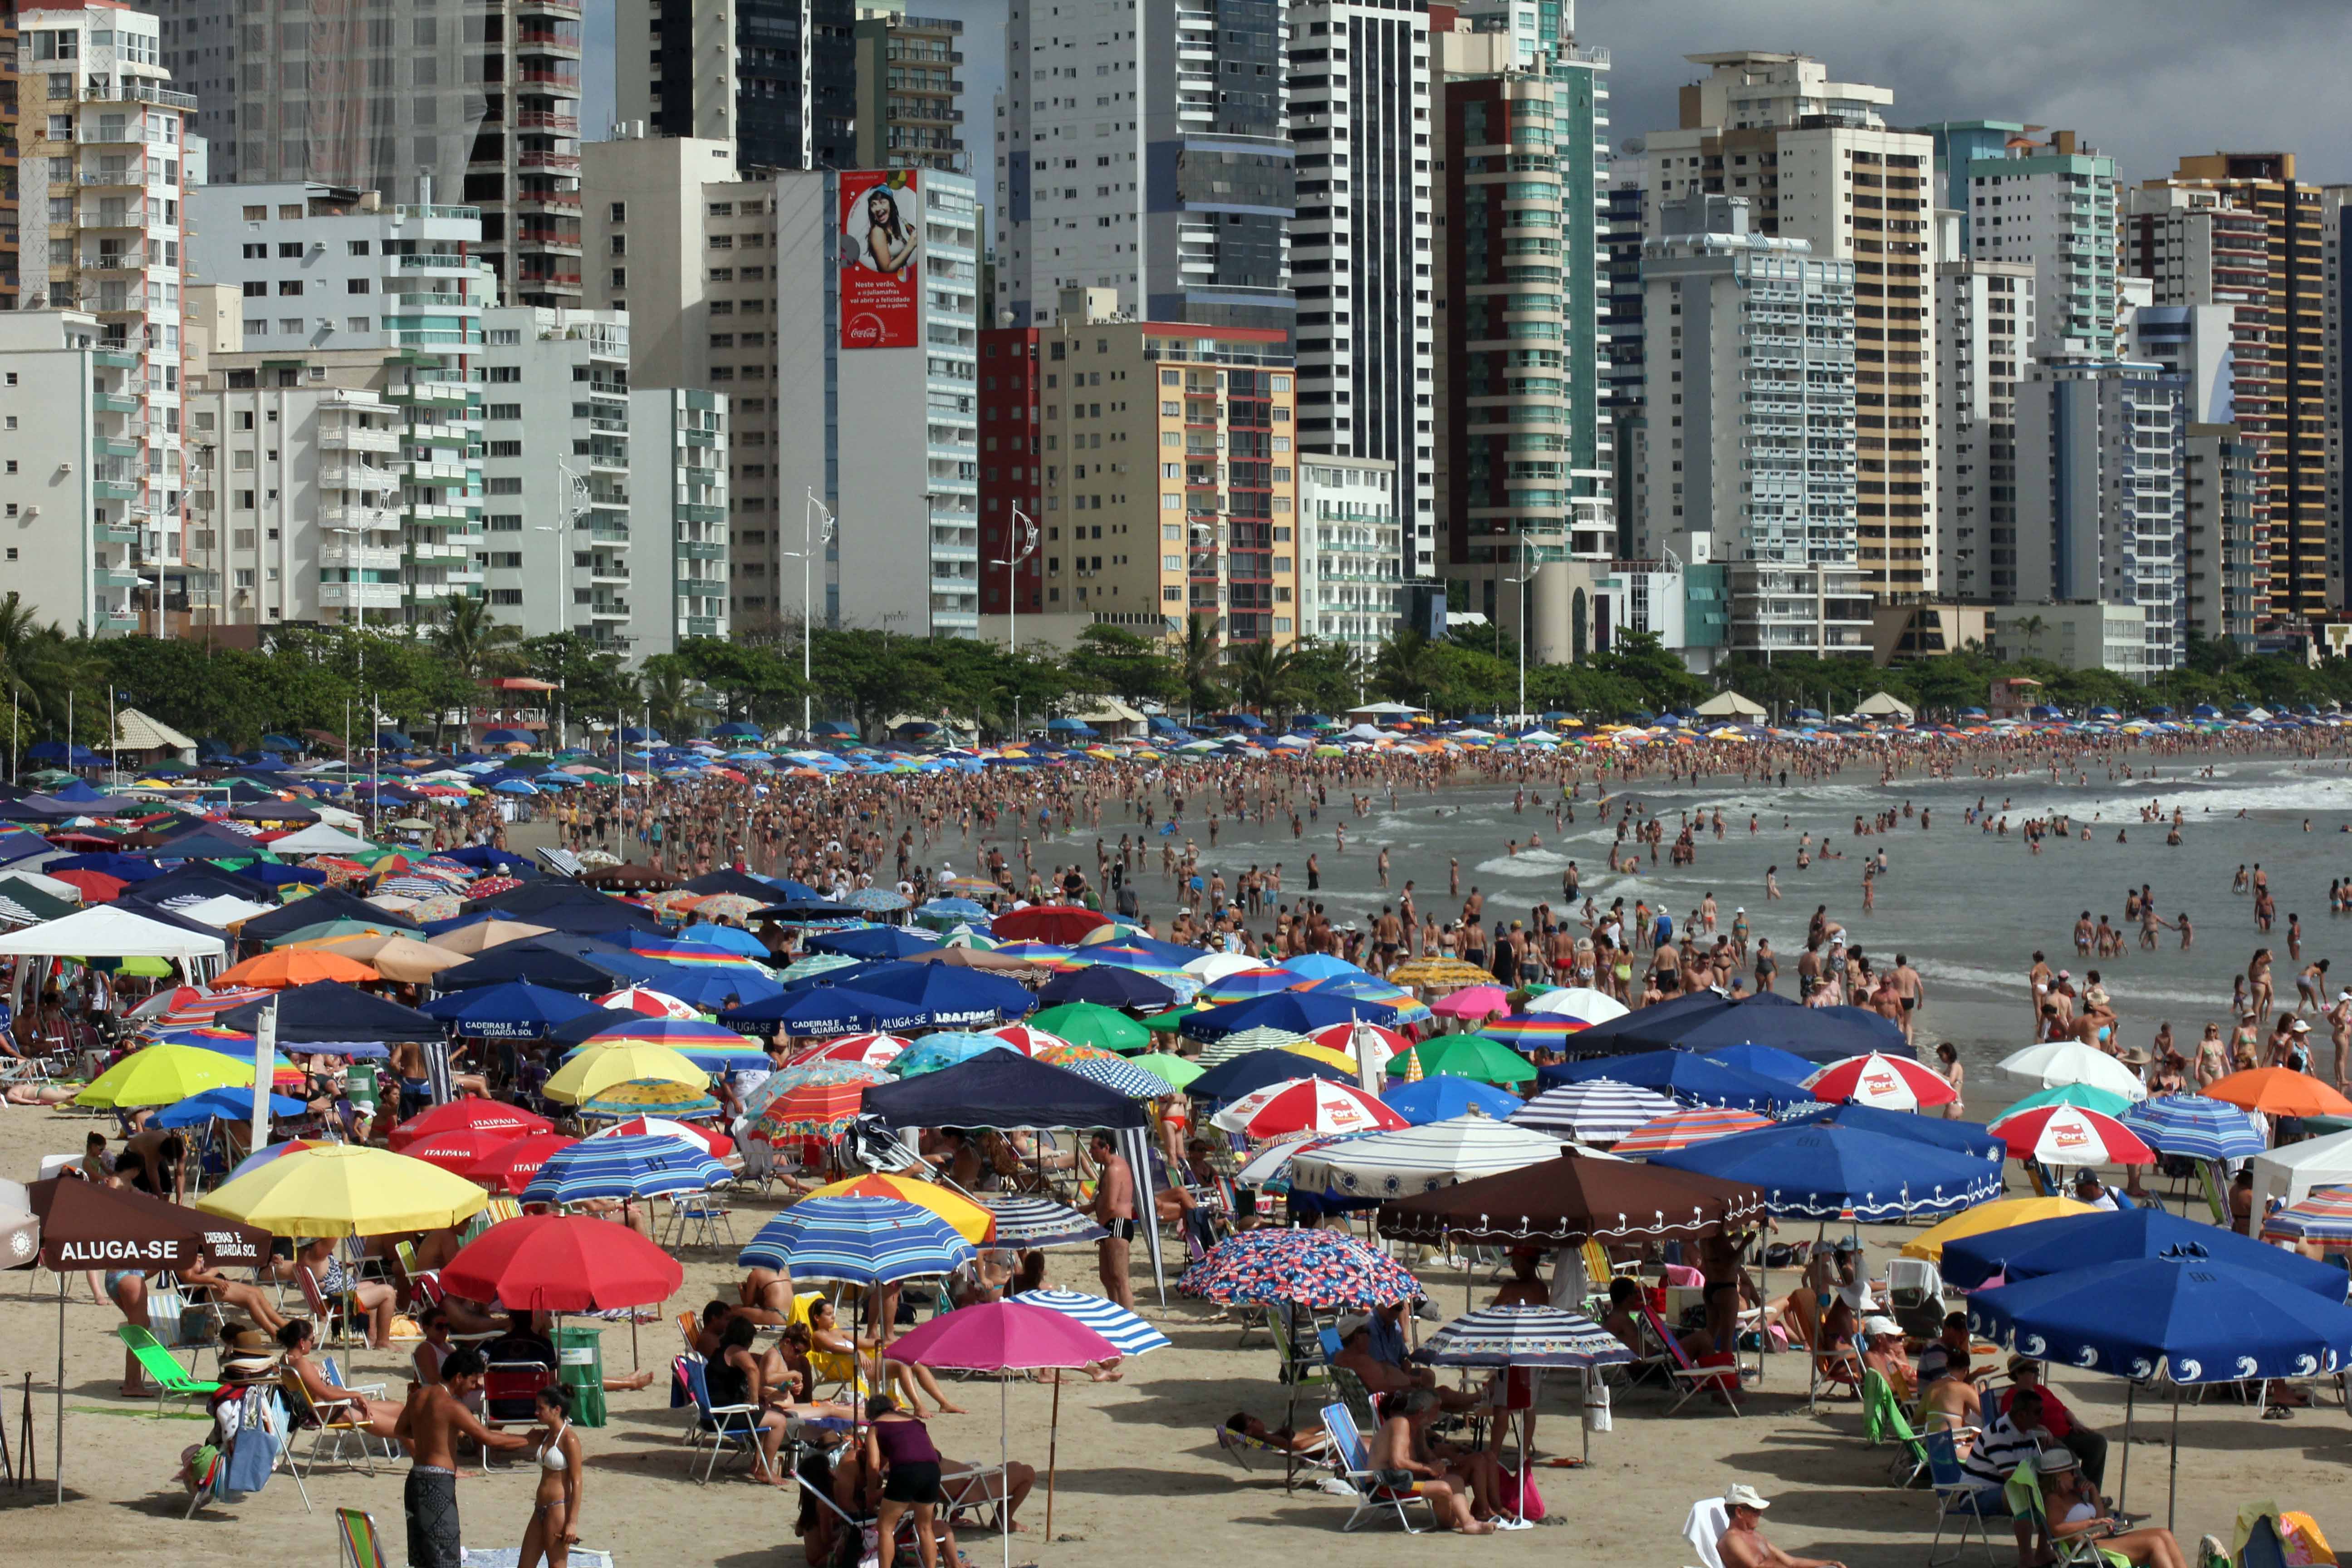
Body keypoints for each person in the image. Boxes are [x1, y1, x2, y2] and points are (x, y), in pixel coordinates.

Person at [396, 1348, 532, 1568]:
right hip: (438, 1485)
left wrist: (423, 1448)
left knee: (423, 1555)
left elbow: (401, 1430)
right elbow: (489, 1439)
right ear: (458, 1377)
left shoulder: (418, 1396)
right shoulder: (453, 1407)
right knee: (445, 1554)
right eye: (473, 1381)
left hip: (415, 1479)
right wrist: (529, 1440)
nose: (476, 1386)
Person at [2037, 1446, 2189, 1568]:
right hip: (2087, 1546)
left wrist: (2093, 1492)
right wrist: (2091, 1523)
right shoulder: (2053, 1500)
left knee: (2164, 1534)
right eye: (2072, 1472)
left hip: (2101, 1538)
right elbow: (2057, 1529)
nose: (2076, 1475)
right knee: (2155, 1544)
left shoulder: (2073, 1493)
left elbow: (2100, 1516)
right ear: (2058, 1476)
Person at [1367, 1388, 1493, 1535]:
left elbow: (1427, 1456)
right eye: (1436, 1410)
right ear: (1422, 1411)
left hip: (1405, 1481)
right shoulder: (1400, 1423)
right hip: (1385, 1485)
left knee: (1456, 1481)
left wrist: (1437, 1464)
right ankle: (1455, 1522)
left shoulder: (1418, 1428)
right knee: (1444, 1489)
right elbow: (1398, 1462)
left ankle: (1468, 1523)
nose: (1438, 1415)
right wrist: (1428, 1469)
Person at [865, 1392, 957, 1568]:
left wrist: (871, 1490)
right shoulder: (915, 1422)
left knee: (885, 1527)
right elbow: (935, 1452)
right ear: (892, 1407)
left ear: (872, 1415)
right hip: (931, 1469)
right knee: (925, 1528)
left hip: (906, 1470)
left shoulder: (876, 1427)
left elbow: (874, 1464)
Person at [279, 1318, 405, 1437]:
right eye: (312, 1340)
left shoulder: (285, 1360)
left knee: (399, 1408)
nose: (313, 1344)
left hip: (337, 1406)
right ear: (302, 1342)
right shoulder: (301, 1364)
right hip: (332, 1411)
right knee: (404, 1429)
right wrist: (356, 1395)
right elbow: (326, 1395)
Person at [1998, 1359, 2108, 1492]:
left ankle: (2092, 1492)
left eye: (2038, 1370)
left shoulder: (2041, 1390)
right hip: (2044, 1441)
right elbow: (2013, 1424)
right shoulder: (2012, 1396)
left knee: (2098, 1443)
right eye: (2033, 1371)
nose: (2037, 1374)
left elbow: (2063, 1409)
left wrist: (2075, 1422)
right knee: (2069, 1456)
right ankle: (2084, 1494)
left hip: (2067, 1432)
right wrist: (2040, 1428)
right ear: (2018, 1374)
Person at [519, 1384, 584, 1568]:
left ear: (557, 1410)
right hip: (539, 1508)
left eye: (541, 1408)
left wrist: (572, 1523)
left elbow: (577, 1481)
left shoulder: (569, 1439)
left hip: (558, 1509)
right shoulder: (545, 1436)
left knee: (557, 1565)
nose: (536, 1412)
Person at [1715, 1482, 1846, 1568]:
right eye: (1755, 1510)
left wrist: (1828, 1563)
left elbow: (1792, 1562)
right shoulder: (1732, 1540)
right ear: (1739, 1512)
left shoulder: (1756, 1536)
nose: (1761, 1513)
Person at [1088, 1131, 1137, 1312]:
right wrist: (1086, 1210)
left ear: (1106, 1148)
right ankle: (1117, 1312)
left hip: (1117, 1223)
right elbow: (1104, 1199)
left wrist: (1097, 1228)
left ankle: (1129, 1319)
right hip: (1110, 1224)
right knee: (1107, 1278)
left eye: (1094, 1148)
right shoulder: (1108, 1167)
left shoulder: (1115, 1169)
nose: (1091, 1152)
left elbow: (1110, 1205)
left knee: (1120, 1278)